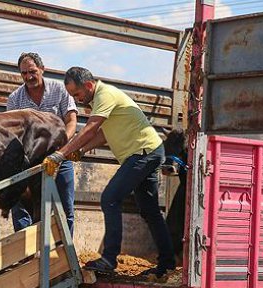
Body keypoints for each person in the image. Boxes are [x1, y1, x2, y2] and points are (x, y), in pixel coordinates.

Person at [44, 66, 175, 277]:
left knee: (110, 198)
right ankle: (167, 263)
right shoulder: (98, 100)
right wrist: (83, 150)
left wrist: (61, 154)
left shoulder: (105, 94)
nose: (76, 100)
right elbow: (104, 133)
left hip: (143, 152)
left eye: (77, 94)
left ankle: (109, 259)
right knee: (150, 211)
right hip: (149, 151)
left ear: (88, 85)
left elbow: (91, 128)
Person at [5, 52, 78, 234]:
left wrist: (62, 147)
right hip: (27, 160)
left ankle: (63, 255)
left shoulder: (59, 90)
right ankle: (25, 257)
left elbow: (71, 121)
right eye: (24, 73)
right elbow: (12, 132)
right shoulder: (15, 99)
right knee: (21, 207)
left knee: (65, 207)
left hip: (60, 156)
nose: (28, 77)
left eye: (32, 71)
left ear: (42, 69)